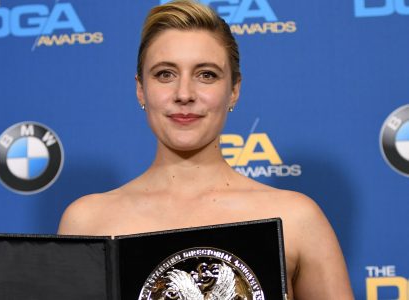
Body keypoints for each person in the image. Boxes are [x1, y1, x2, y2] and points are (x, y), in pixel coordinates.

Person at [58, 1, 354, 299]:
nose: (184, 94)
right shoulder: (87, 222)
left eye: (206, 75)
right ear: (140, 89)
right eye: (165, 74)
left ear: (234, 90)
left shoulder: (296, 218)